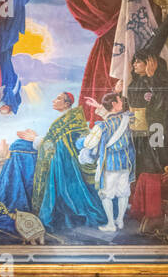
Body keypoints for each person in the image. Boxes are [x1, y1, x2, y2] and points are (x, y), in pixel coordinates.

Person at [19, 92, 105, 233]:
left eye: (58, 98)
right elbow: (54, 140)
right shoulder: (65, 119)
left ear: (67, 104)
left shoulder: (71, 120)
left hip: (66, 166)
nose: (53, 100)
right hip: (63, 163)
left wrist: (36, 139)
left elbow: (57, 144)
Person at [80, 91, 136, 233]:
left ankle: (111, 224)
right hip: (125, 164)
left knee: (106, 194)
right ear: (114, 105)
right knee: (123, 193)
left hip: (110, 165)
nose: (123, 103)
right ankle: (120, 220)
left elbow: (88, 143)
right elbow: (114, 119)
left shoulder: (102, 126)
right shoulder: (128, 118)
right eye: (120, 101)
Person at [127, 50, 168, 175]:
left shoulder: (163, 83)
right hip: (138, 133)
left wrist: (152, 78)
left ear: (151, 63)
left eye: (138, 61)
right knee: (141, 167)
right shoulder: (134, 83)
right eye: (134, 61)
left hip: (157, 131)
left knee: (158, 166)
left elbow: (164, 106)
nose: (134, 64)